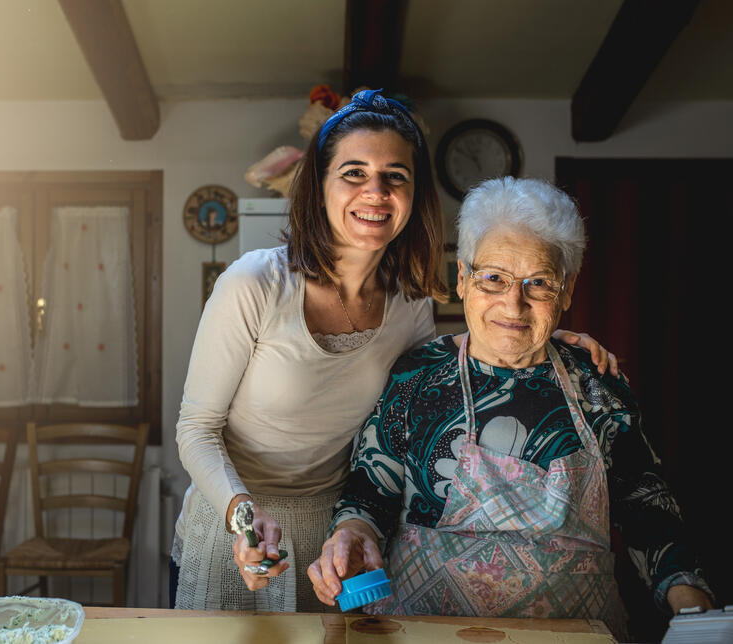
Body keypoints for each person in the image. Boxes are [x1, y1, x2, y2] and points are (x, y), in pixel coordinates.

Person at [172, 91, 618, 613]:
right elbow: (196, 428)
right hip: (235, 518)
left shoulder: (409, 304)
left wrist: (539, 331)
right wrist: (243, 515)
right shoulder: (254, 283)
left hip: (334, 536)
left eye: (395, 176)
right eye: (354, 173)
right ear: (319, 186)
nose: (376, 192)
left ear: (414, 195)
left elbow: (431, 379)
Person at [307, 177, 713, 638]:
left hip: (576, 637)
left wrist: (690, 603)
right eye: (494, 278)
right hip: (425, 632)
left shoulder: (597, 382)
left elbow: (645, 505)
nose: (513, 303)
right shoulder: (415, 375)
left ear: (568, 289)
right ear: (463, 278)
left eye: (538, 283)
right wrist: (351, 536)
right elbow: (367, 495)